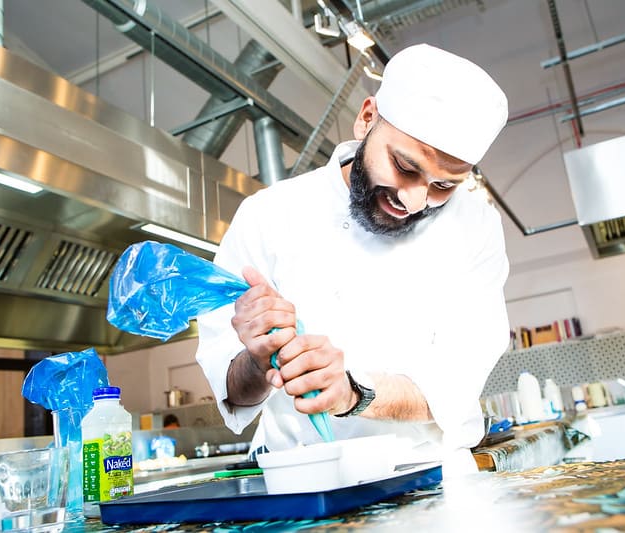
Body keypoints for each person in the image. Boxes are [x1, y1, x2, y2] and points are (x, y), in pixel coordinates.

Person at [196, 43, 510, 475]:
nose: (415, 200)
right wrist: (255, 357)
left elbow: (456, 385)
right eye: (404, 166)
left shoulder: (476, 228)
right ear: (366, 119)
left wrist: (351, 393)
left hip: (424, 478)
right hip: (296, 478)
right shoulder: (268, 214)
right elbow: (234, 390)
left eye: (443, 186)